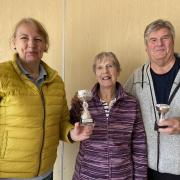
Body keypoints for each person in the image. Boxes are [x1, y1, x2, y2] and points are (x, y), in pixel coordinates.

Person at [0, 17, 92, 180]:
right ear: (14, 42)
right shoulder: (2, 75)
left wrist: (72, 134)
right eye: (24, 38)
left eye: (38, 39)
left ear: (45, 46)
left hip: (46, 173)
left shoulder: (55, 81)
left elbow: (61, 121)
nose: (31, 44)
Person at [70, 52, 148, 179]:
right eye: (99, 67)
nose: (105, 71)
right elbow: (68, 130)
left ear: (118, 71)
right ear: (95, 73)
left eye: (110, 66)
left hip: (122, 176)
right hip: (87, 175)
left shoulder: (131, 104)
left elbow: (139, 146)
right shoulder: (83, 102)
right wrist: (74, 107)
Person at [124, 19, 180, 180]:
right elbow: (119, 106)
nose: (159, 44)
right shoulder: (137, 77)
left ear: (173, 41)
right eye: (153, 40)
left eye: (165, 38)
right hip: (147, 169)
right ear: (146, 47)